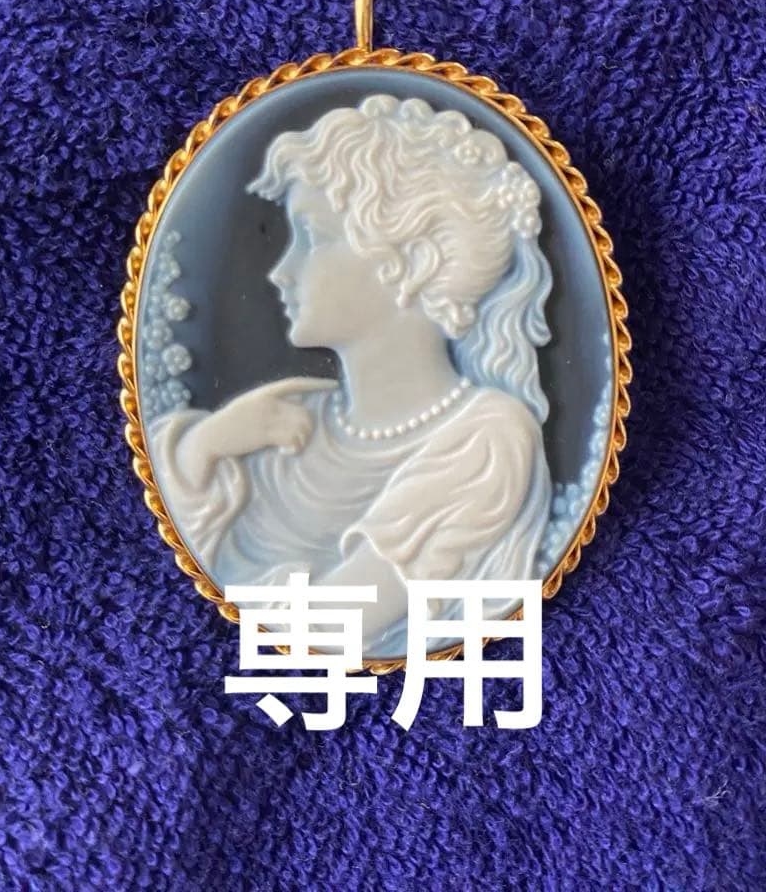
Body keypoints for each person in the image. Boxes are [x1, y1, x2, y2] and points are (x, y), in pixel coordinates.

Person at [148, 94, 553, 657]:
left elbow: (335, 624)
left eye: (312, 237)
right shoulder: (285, 416)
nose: (281, 270)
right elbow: (178, 561)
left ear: (412, 263)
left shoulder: (486, 440)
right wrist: (204, 447)